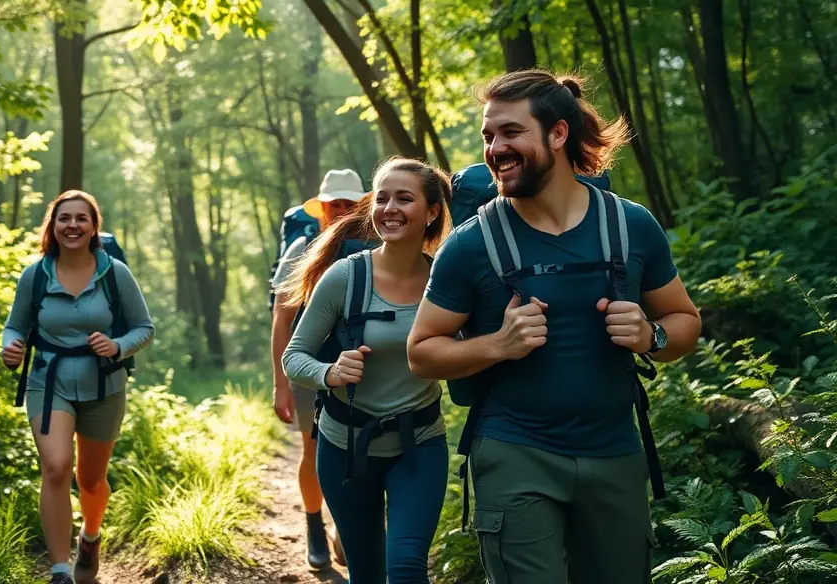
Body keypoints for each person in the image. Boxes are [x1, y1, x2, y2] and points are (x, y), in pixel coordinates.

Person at [406, 69, 702, 584]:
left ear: (558, 134)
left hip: (615, 453)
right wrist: (497, 344)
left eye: (511, 132)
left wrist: (650, 336)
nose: (495, 148)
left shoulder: (630, 226)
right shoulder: (471, 245)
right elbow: (421, 352)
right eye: (488, 136)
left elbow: (685, 321)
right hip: (514, 453)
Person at [282, 157, 453, 584]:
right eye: (382, 198)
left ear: (432, 212)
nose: (390, 207)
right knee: (368, 574)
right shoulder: (345, 277)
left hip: (420, 444)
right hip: (345, 448)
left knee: (407, 566)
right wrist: (330, 372)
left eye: (404, 198)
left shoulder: (445, 281)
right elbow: (295, 356)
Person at [1, 190, 154, 584]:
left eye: (81, 218)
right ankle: (58, 570)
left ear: (93, 227)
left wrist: (118, 345)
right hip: (48, 383)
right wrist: (10, 347)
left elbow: (144, 328)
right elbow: (15, 325)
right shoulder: (35, 275)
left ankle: (90, 535)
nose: (72, 225)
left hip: (104, 386)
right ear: (52, 226)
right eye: (64, 218)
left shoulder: (114, 273)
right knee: (55, 467)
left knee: (90, 480)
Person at [270, 168, 368, 570]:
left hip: (361, 368)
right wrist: (281, 384)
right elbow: (282, 317)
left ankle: (345, 530)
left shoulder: (375, 244)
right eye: (335, 205)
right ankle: (314, 527)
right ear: (323, 208)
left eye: (350, 203)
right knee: (314, 449)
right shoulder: (302, 248)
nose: (343, 211)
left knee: (362, 450)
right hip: (309, 366)